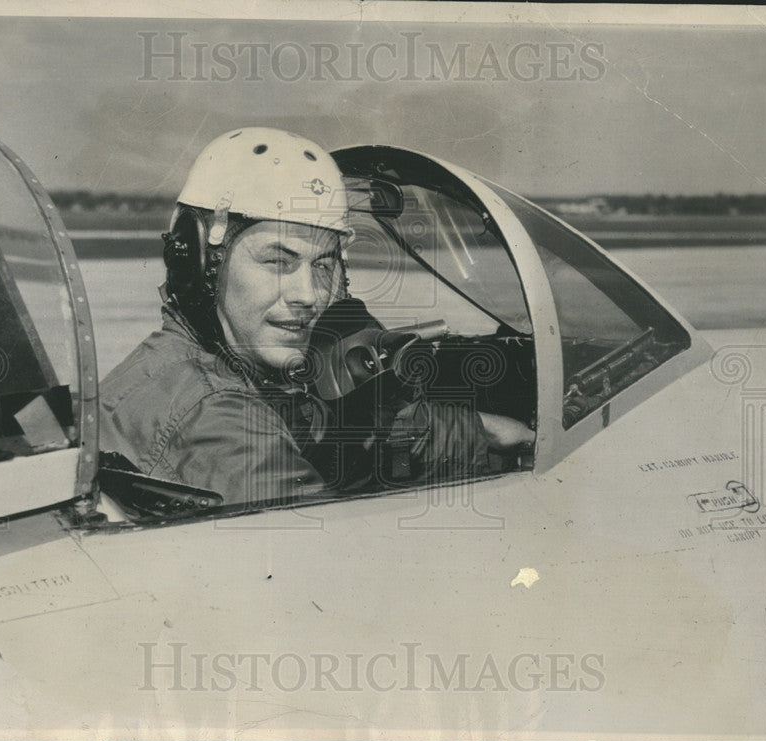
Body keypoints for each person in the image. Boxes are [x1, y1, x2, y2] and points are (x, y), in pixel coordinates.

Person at [99, 127, 533, 506]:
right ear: (199, 262)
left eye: (323, 265)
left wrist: (485, 433)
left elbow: (328, 430)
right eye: (277, 261)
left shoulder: (227, 372)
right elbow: (320, 563)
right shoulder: (216, 418)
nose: (308, 296)